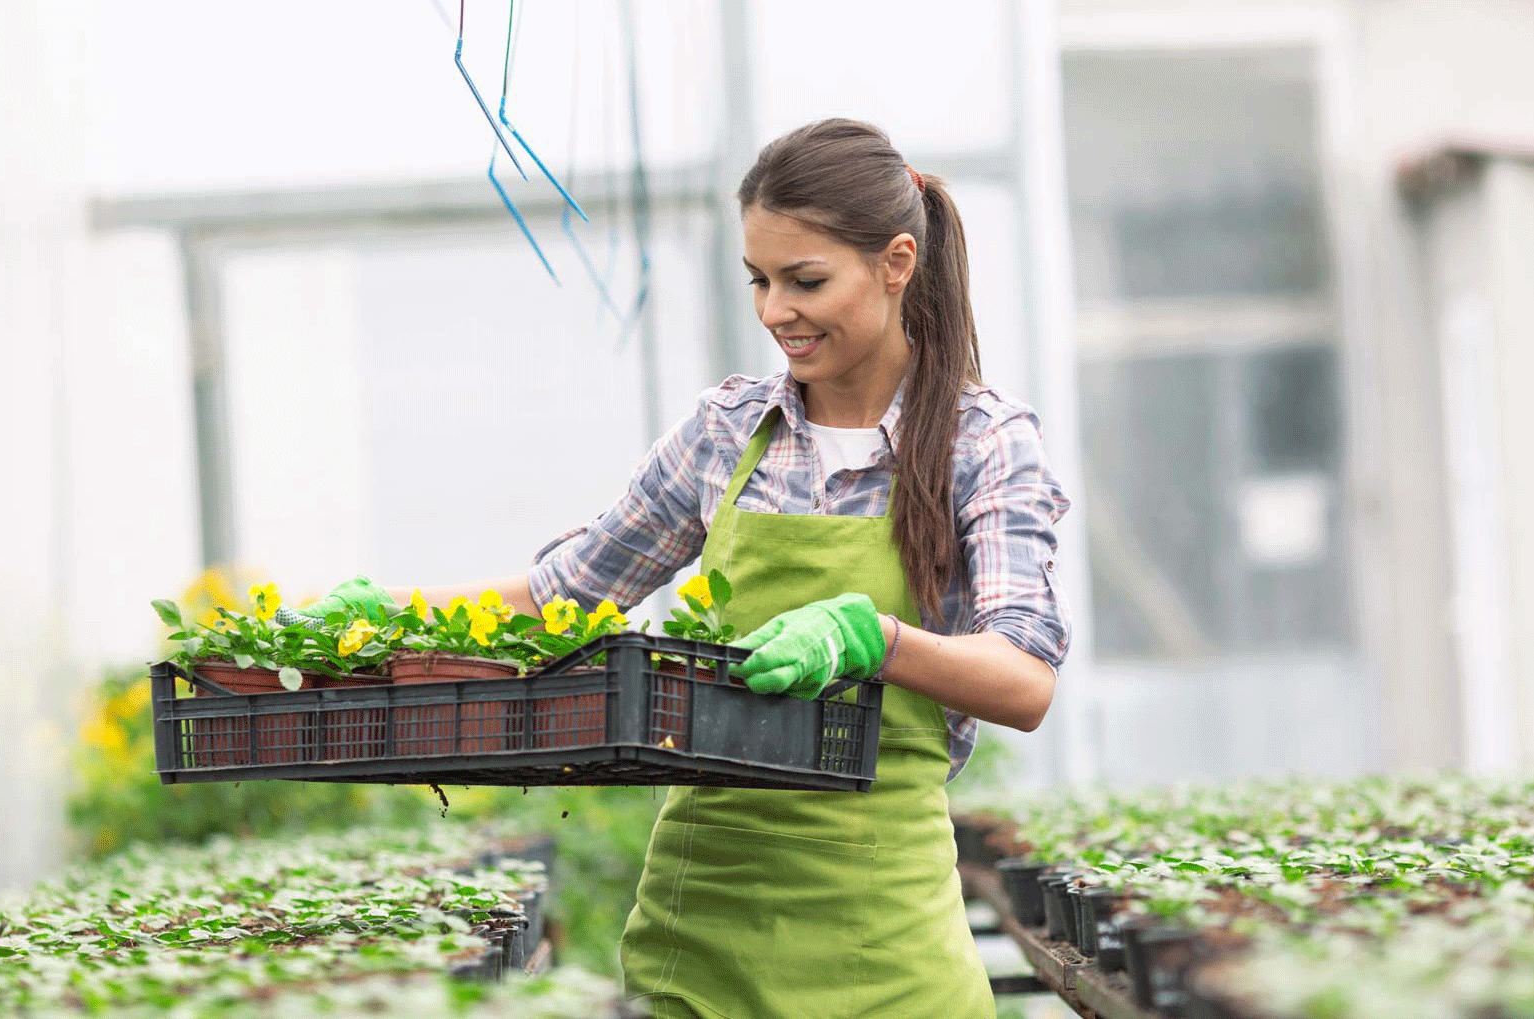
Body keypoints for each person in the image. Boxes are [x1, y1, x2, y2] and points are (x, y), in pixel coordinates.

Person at [304, 118, 1068, 1018]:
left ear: (897, 263)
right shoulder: (727, 432)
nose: (775, 309)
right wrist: (397, 612)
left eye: (806, 279)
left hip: (885, 935)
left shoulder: (981, 442)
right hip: (705, 922)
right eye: (759, 279)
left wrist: (876, 637)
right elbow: (568, 597)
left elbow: (1024, 679)